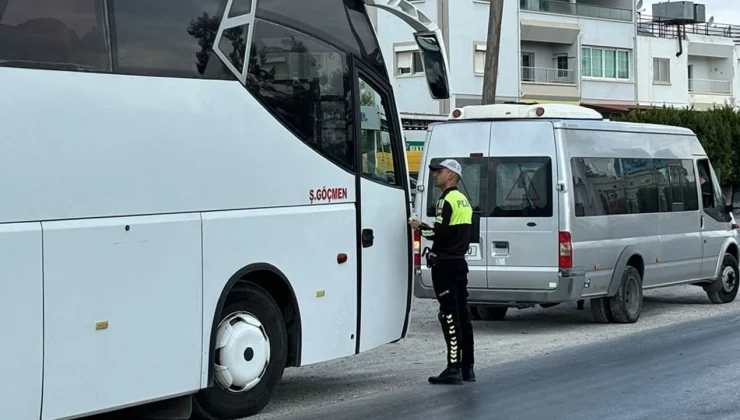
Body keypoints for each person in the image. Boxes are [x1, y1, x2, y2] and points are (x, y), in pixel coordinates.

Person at [409, 158, 475, 385]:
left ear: (451, 176)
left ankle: (453, 368)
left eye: (439, 171)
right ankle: (468, 368)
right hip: (459, 263)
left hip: (445, 265)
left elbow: (439, 234)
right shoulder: (464, 200)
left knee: (449, 316)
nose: (435, 174)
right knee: (463, 315)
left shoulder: (446, 199)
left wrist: (419, 227)